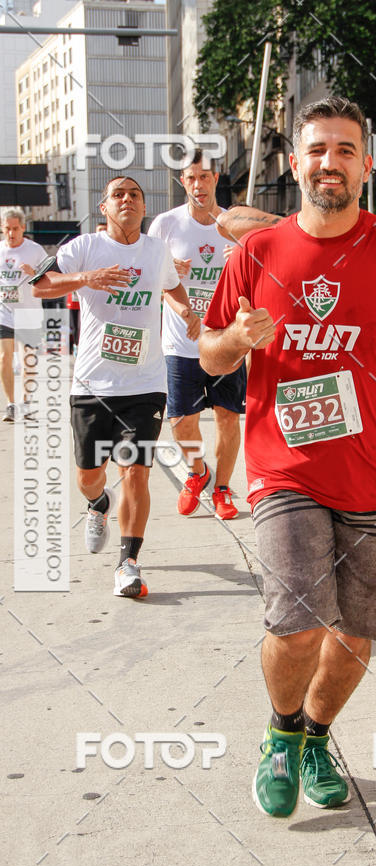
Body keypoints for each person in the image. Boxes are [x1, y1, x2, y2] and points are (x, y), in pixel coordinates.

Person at [199, 97, 376, 818]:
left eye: (345, 150)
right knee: (298, 623)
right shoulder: (256, 253)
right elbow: (209, 348)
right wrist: (238, 343)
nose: (331, 162)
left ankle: (316, 737)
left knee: (356, 635)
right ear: (296, 164)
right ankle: (280, 735)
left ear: (366, 163)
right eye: (317, 149)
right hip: (285, 467)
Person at [32, 176, 200, 597]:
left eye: (135, 194)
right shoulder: (83, 248)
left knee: (136, 473)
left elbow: (171, 286)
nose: (127, 199)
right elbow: (39, 285)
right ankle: (97, 504)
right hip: (92, 383)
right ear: (104, 207)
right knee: (90, 476)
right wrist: (88, 277)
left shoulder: (155, 250)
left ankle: (128, 562)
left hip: (145, 384)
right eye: (118, 195)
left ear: (144, 207)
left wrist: (185, 310)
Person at [148, 151, 245, 520]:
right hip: (180, 341)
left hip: (225, 339)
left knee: (227, 417)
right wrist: (168, 268)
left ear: (216, 178)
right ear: (182, 182)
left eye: (204, 177)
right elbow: (150, 278)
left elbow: (264, 270)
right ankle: (197, 472)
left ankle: (222, 488)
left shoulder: (234, 223)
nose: (198, 184)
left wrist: (244, 254)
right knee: (181, 421)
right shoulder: (165, 224)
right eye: (191, 178)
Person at [0, 207, 47, 422]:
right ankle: (10, 404)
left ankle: (26, 403)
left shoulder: (35, 250)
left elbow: (51, 277)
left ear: (23, 228)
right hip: (4, 312)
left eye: (15, 229)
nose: (11, 233)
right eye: (7, 229)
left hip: (29, 313)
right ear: (2, 228)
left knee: (29, 361)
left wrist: (34, 274)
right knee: (4, 358)